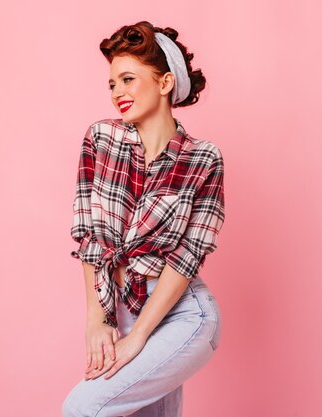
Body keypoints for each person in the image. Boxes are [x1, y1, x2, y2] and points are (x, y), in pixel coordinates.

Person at [62, 21, 226, 417]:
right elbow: (90, 237)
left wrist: (139, 335)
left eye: (129, 78)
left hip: (183, 313)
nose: (118, 91)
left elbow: (186, 258)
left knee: (83, 409)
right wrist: (98, 319)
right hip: (119, 306)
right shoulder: (100, 139)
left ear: (165, 82)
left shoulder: (203, 158)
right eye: (113, 83)